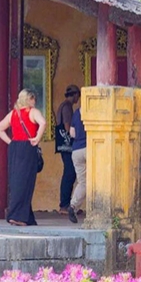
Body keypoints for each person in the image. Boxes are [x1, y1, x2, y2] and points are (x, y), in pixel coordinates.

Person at [0, 89, 46, 226]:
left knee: (17, 180)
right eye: (33, 99)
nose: (34, 101)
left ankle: (27, 216)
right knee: (26, 181)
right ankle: (17, 216)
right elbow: (43, 123)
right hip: (28, 146)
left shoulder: (13, 113)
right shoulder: (32, 111)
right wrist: (37, 137)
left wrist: (10, 142)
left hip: (15, 147)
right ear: (29, 99)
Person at [56, 85, 80, 214]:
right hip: (66, 145)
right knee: (69, 174)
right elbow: (67, 126)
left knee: (69, 173)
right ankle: (64, 204)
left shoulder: (63, 105)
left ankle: (66, 203)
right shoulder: (67, 107)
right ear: (75, 95)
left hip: (63, 145)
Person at [68, 96, 88, 224]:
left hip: (76, 151)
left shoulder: (76, 113)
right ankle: (97, 210)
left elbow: (72, 133)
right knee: (97, 181)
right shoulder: (92, 113)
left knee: (83, 182)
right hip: (89, 149)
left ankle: (73, 206)